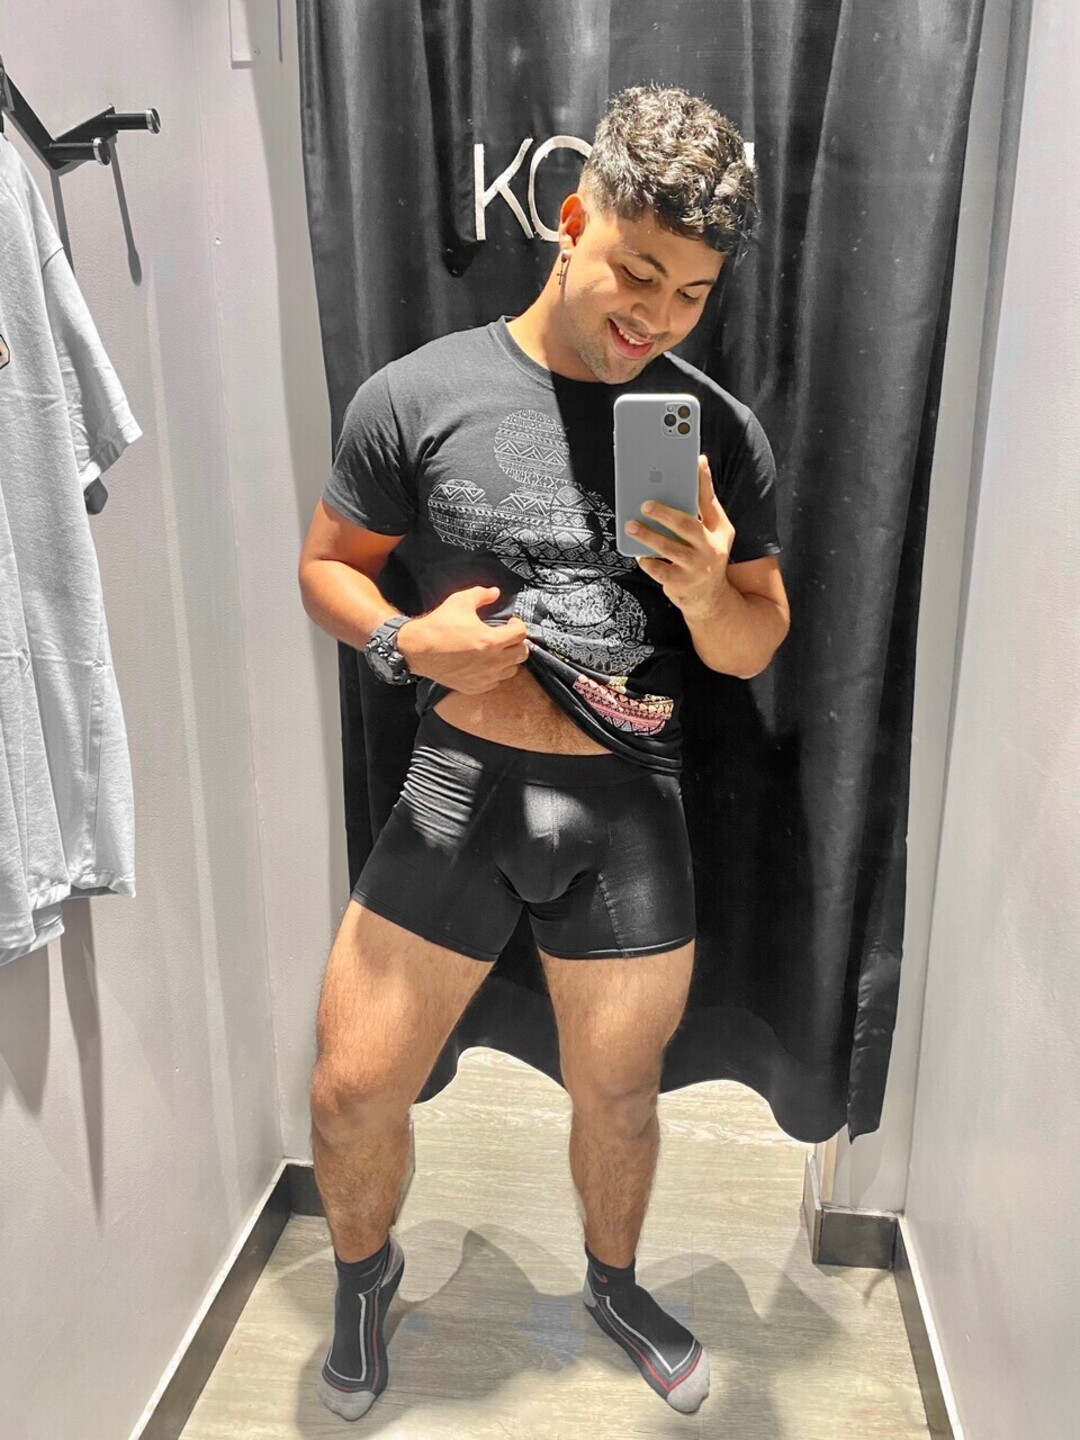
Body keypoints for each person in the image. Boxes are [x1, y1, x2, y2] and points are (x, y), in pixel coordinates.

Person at [299, 83, 791, 1423]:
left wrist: (705, 592)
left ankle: (615, 1287)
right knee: (350, 1092)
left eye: (692, 295)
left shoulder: (714, 431)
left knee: (621, 1098)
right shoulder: (416, 394)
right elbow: (327, 567)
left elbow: (757, 641)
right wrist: (404, 640)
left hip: (626, 803)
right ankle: (364, 1274)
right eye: (638, 272)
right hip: (457, 785)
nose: (658, 317)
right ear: (572, 223)